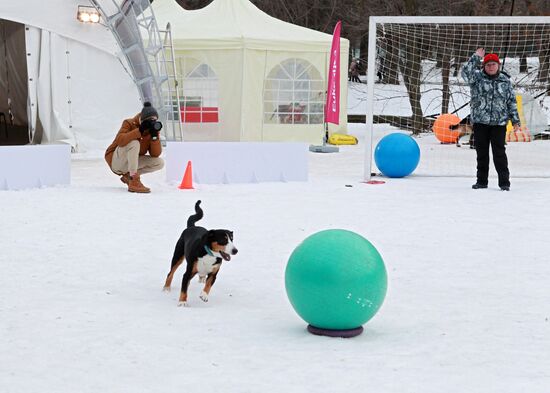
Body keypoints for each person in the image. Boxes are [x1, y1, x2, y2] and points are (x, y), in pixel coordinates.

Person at [461, 48, 520, 191]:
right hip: (480, 122)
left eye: (493, 64)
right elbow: (465, 73)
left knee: (499, 153)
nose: (491, 67)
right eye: (488, 65)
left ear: (498, 65)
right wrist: (475, 57)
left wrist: (515, 121)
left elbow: (511, 101)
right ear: (484, 66)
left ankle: (504, 183)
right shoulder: (477, 78)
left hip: (499, 124)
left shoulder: (505, 80)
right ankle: (481, 181)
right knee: (481, 153)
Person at [104, 102, 164, 193]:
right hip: (116, 162)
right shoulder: (129, 123)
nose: (152, 123)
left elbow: (155, 154)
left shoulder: (151, 131)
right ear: (142, 119)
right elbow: (120, 141)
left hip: (131, 163)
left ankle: (129, 176)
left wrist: (154, 137)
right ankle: (134, 180)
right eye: (149, 121)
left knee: (159, 162)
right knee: (134, 143)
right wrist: (139, 130)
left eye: (154, 120)